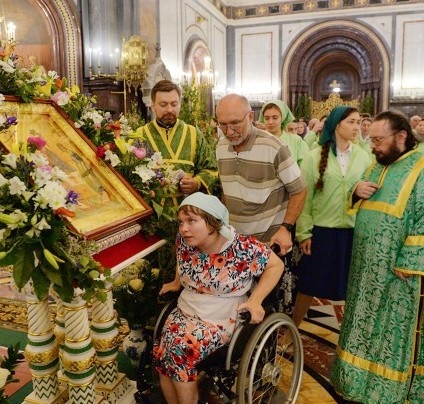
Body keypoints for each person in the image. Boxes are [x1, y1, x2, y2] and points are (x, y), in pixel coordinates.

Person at [153, 192, 284, 404]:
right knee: (162, 351)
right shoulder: (185, 240)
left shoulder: (242, 248)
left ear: (213, 223)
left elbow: (276, 265)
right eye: (181, 222)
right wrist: (177, 282)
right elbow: (182, 259)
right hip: (186, 310)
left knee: (179, 351)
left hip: (220, 317)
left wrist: (255, 300)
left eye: (192, 221)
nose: (183, 228)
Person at [330, 110, 424, 403]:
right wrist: (356, 191)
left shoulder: (421, 167)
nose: (374, 146)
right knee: (360, 323)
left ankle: (386, 391)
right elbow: (355, 201)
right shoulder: (375, 164)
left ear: (401, 137)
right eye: (371, 140)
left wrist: (410, 261)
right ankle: (355, 383)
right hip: (364, 267)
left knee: (389, 332)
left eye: (379, 140)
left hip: (397, 272)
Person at [215, 94, 307, 315]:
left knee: (262, 310)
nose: (229, 132)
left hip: (267, 245)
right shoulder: (220, 147)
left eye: (235, 123)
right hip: (235, 244)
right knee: (233, 308)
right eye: (223, 125)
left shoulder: (273, 146)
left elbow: (299, 189)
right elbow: (229, 191)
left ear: (250, 116)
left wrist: (286, 228)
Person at [292, 106, 372, 327]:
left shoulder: (364, 157)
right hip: (322, 230)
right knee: (309, 284)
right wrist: (304, 233)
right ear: (337, 125)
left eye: (358, 122)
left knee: (350, 285)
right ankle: (293, 328)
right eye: (351, 122)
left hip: (351, 230)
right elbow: (305, 199)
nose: (356, 127)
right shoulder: (313, 157)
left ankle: (348, 334)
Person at [132, 79, 218, 201]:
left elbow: (211, 169)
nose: (169, 110)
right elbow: (130, 175)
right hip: (152, 213)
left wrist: (196, 182)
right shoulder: (140, 135)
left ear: (180, 104)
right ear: (153, 106)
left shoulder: (193, 134)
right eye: (163, 104)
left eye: (174, 104)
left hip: (187, 212)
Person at [258, 100, 310, 167]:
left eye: (275, 118)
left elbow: (305, 167)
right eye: (267, 118)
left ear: (282, 118)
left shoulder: (296, 141)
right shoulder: (258, 140)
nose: (270, 122)